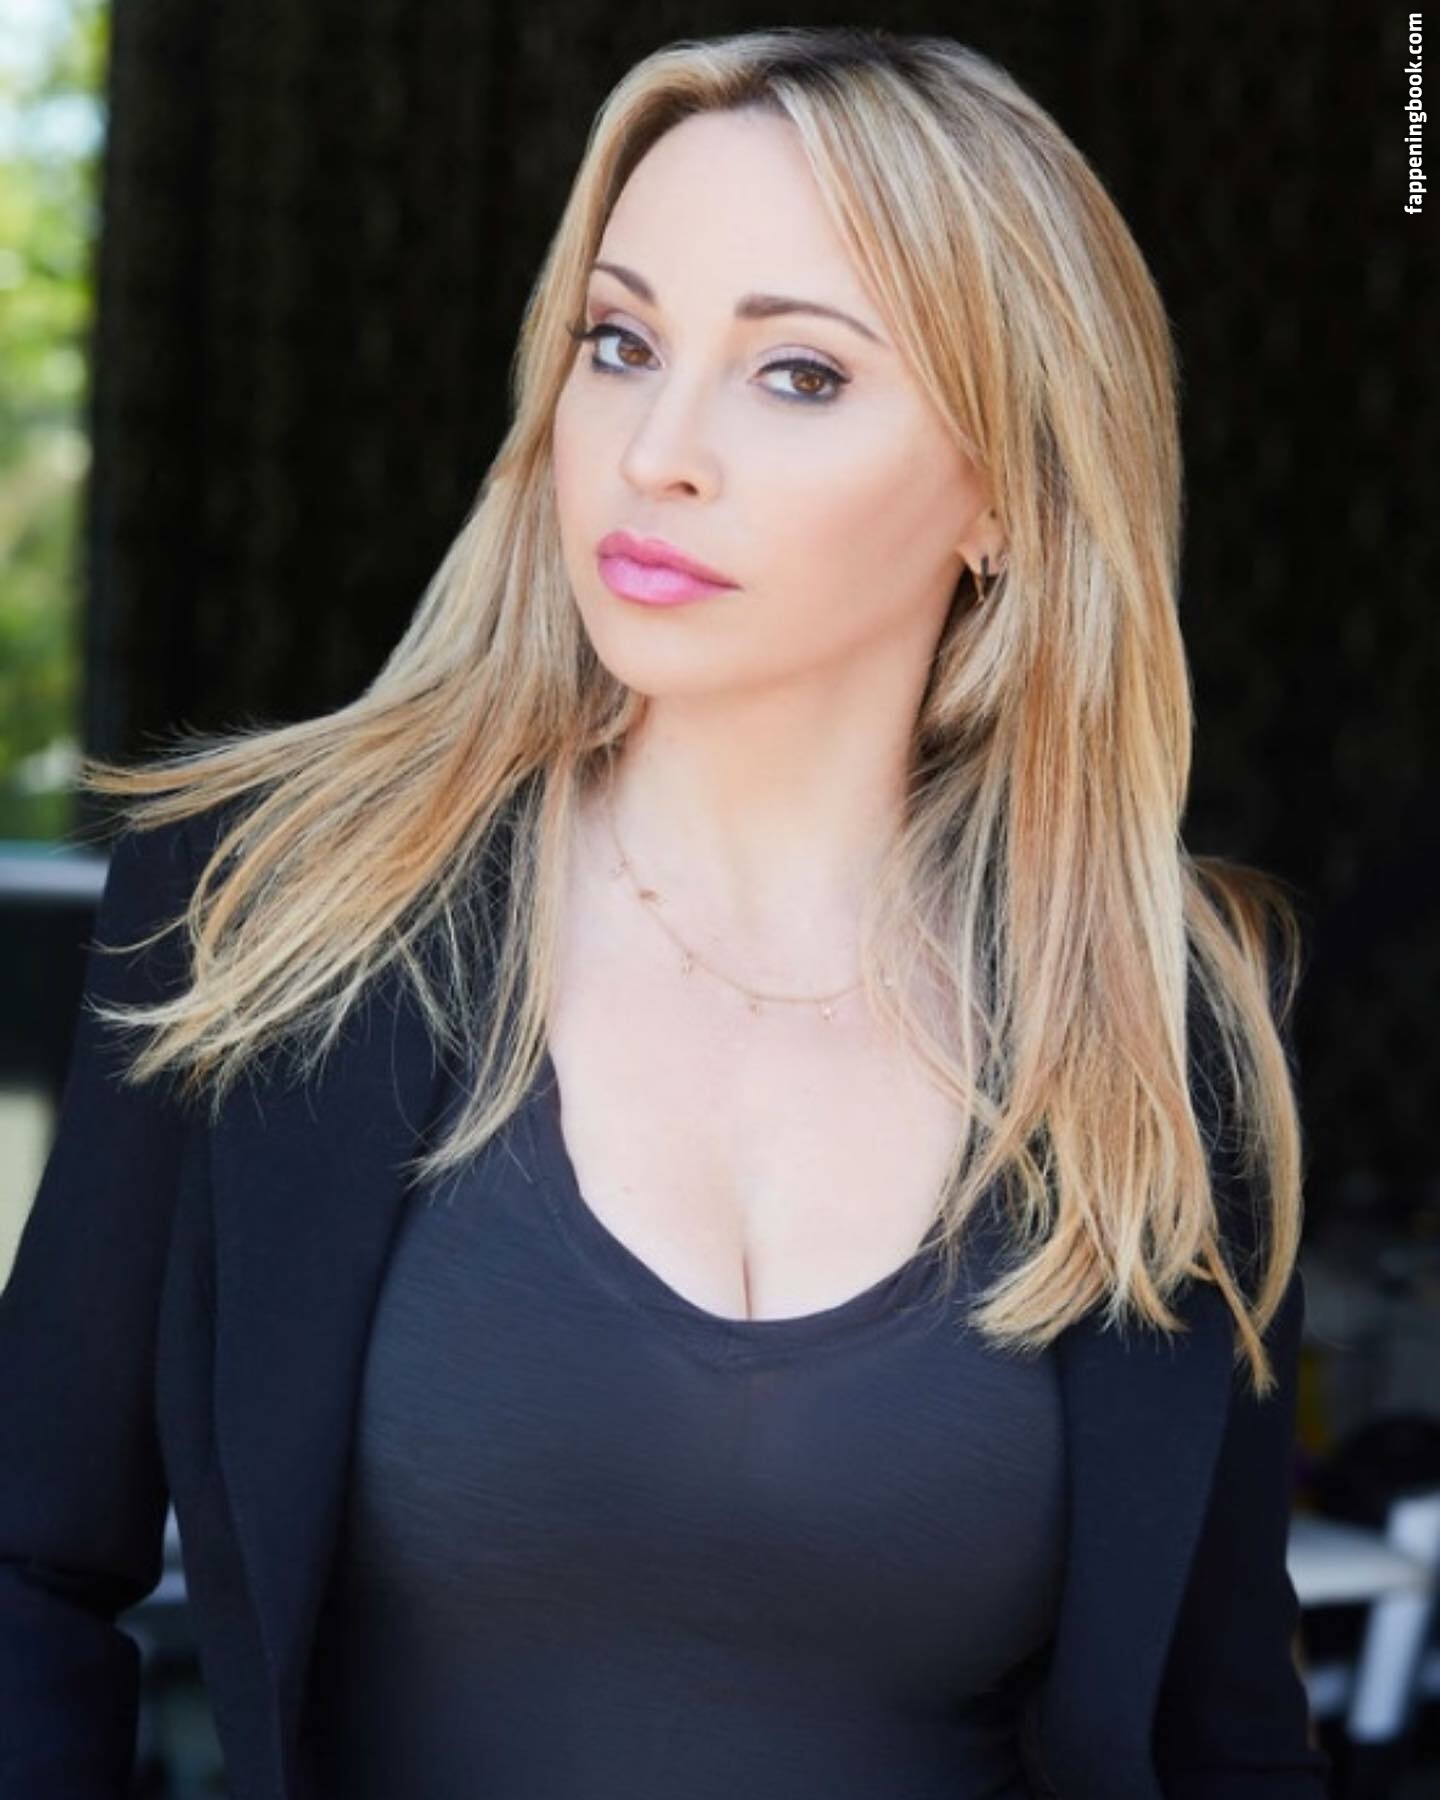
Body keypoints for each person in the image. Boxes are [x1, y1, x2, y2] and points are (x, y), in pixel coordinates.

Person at [0, 24, 1330, 1800]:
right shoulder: (268, 910)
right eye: (620, 345)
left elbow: (1223, 1733)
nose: (657, 451)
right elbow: (25, 1569)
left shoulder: (1163, 1039)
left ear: (1008, 495)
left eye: (799, 374)